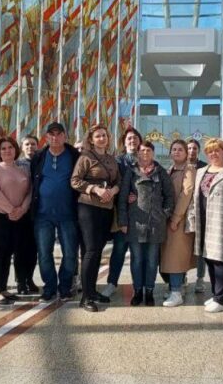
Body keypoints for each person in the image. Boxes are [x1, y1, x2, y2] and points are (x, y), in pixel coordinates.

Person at [186, 138, 223, 313]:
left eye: (217, 150)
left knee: (221, 261)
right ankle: (215, 294)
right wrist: (192, 220)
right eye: (210, 151)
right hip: (203, 222)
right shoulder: (201, 171)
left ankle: (220, 299)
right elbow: (194, 199)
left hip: (222, 223)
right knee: (209, 259)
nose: (213, 154)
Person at [71, 123, 121, 312]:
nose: (102, 138)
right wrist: (95, 189)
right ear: (91, 140)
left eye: (104, 135)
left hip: (106, 208)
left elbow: (118, 181)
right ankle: (85, 297)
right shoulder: (85, 157)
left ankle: (92, 291)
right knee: (90, 251)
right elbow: (75, 181)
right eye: (98, 136)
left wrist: (113, 191)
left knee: (98, 251)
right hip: (89, 207)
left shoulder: (111, 159)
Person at [118, 141, 175, 307]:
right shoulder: (131, 171)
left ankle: (149, 291)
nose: (145, 153)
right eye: (142, 150)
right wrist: (123, 221)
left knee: (152, 260)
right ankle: (137, 291)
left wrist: (164, 214)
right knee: (136, 259)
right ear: (138, 153)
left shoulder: (160, 171)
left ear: (153, 153)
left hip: (156, 224)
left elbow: (170, 196)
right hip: (135, 223)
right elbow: (122, 198)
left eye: (148, 150)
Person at [31, 122, 80, 303]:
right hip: (43, 215)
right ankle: (49, 287)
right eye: (51, 134)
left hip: (68, 214)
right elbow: (33, 180)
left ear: (65, 136)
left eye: (59, 134)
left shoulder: (74, 155)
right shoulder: (39, 156)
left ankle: (65, 287)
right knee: (44, 253)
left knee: (70, 253)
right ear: (46, 137)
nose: (55, 137)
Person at [0, 137, 32, 305]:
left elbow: (30, 192)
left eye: (10, 147)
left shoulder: (23, 170)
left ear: (16, 149)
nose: (7, 150)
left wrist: (22, 209)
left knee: (8, 253)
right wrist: (11, 209)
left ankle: (3, 288)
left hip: (18, 218)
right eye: (3, 148)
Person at [103, 127, 142, 298]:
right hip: (121, 213)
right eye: (129, 139)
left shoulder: (145, 159)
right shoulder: (117, 161)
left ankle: (138, 286)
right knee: (119, 250)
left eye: (135, 138)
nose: (132, 141)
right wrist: (125, 196)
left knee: (138, 253)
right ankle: (111, 283)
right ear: (124, 142)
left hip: (140, 214)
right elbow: (112, 183)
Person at [160, 140, 196, 307]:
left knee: (175, 256)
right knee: (171, 255)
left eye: (180, 149)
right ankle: (177, 287)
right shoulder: (169, 170)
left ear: (186, 153)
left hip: (180, 219)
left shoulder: (189, 169)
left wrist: (175, 218)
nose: (176, 152)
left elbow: (186, 194)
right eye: (173, 149)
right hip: (169, 218)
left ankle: (176, 292)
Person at [14, 135, 40, 294]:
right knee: (20, 248)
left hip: (36, 211)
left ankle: (29, 278)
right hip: (20, 210)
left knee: (33, 248)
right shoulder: (17, 164)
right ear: (22, 147)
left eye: (33, 144)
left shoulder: (41, 162)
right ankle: (20, 281)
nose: (30, 147)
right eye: (27, 144)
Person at [187, 138, 206, 292]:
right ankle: (183, 277)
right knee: (185, 247)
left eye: (194, 148)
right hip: (184, 212)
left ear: (198, 151)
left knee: (200, 247)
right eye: (189, 148)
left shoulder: (205, 168)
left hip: (200, 211)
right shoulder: (179, 167)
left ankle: (200, 278)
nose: (191, 151)